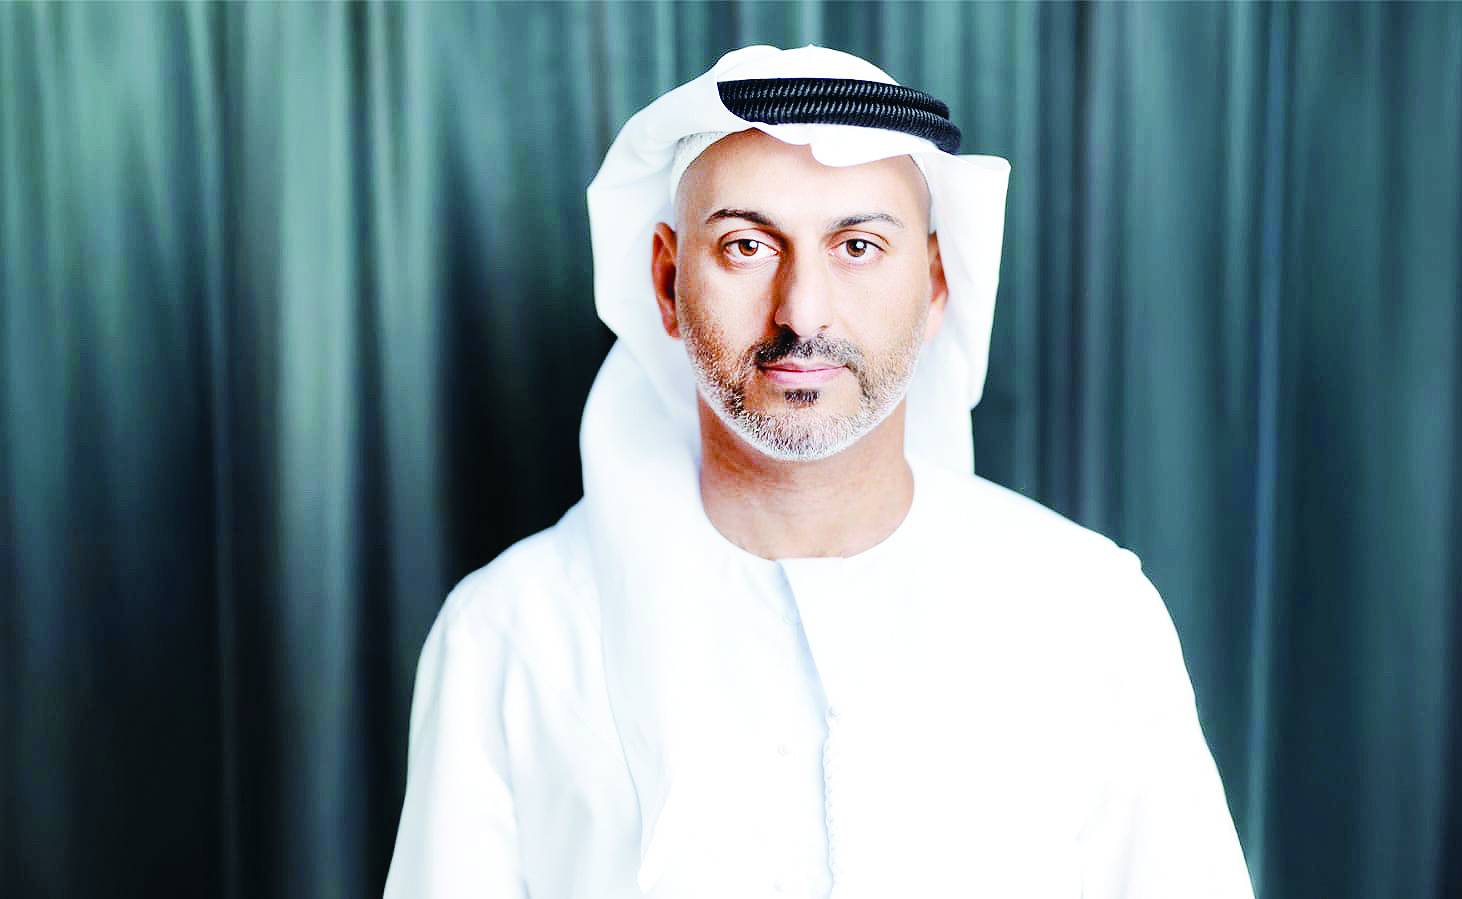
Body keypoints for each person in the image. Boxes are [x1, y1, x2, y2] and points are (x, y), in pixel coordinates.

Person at [384, 44, 1254, 899]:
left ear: (936, 282)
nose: (802, 312)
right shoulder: (509, 636)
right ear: (666, 280)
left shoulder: (1088, 611)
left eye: (858, 246)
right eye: (746, 246)